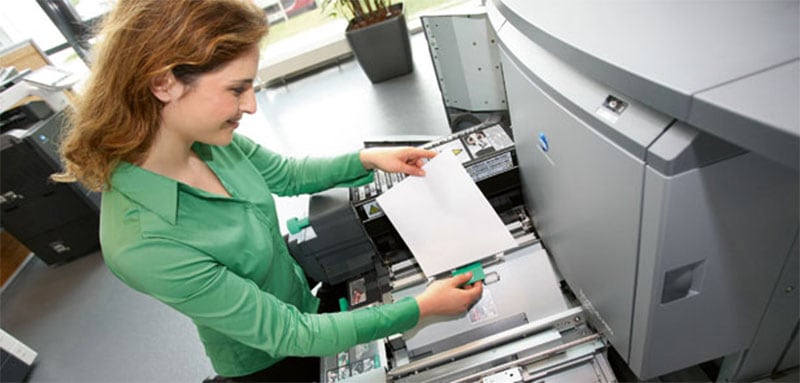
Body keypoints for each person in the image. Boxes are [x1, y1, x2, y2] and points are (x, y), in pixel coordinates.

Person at [53, 0, 483, 382]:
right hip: (271, 362)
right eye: (236, 89)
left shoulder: (204, 138)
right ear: (164, 83)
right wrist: (420, 309)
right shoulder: (141, 242)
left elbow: (286, 174)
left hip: (303, 303)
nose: (251, 106)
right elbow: (288, 334)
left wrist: (368, 161)